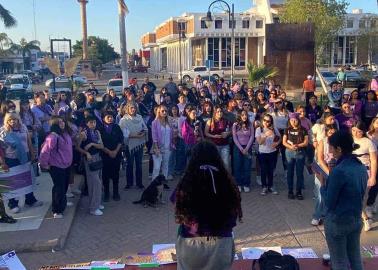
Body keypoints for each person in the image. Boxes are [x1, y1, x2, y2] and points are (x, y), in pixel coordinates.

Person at [175, 140, 243, 270]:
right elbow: (233, 213)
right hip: (221, 244)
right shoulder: (226, 182)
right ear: (217, 158)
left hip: (191, 244)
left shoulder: (187, 181)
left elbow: (179, 208)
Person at [318, 131, 367, 270]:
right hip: (355, 219)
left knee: (339, 261)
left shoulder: (339, 171)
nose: (330, 152)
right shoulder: (361, 167)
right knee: (355, 258)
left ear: (339, 149)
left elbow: (329, 202)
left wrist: (323, 185)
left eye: (331, 148)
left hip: (338, 222)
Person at [0, 112, 42, 214]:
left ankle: (30, 200)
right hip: (11, 159)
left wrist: (32, 154)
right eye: (10, 120)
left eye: (14, 119)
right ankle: (12, 204)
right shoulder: (3, 132)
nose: (13, 121)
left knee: (27, 178)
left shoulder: (23, 128)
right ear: (7, 121)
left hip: (25, 157)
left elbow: (28, 142)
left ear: (18, 119)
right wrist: (2, 162)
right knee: (12, 182)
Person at [39, 116, 72, 219]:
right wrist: (44, 164)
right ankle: (56, 209)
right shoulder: (52, 137)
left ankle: (63, 202)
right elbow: (45, 151)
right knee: (59, 187)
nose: (62, 123)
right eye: (59, 122)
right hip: (56, 166)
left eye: (63, 121)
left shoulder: (66, 134)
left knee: (65, 185)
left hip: (67, 165)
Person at [351, 121, 377, 232]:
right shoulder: (349, 140)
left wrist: (373, 177)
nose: (355, 133)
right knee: (354, 197)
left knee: (360, 198)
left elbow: (374, 160)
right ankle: (363, 217)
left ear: (363, 132)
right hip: (350, 172)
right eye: (353, 130)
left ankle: (364, 218)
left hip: (364, 172)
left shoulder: (368, 142)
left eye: (358, 131)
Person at [77, 116, 105, 216]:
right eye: (90, 122)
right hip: (89, 159)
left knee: (99, 181)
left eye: (94, 122)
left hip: (97, 157)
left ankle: (97, 202)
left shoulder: (97, 133)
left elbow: (101, 146)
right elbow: (78, 147)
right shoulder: (83, 134)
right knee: (94, 183)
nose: (93, 124)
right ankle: (93, 207)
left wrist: (92, 144)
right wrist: (86, 153)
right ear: (87, 123)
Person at [311, 124, 338, 226]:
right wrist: (329, 173)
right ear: (326, 132)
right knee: (320, 194)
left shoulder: (338, 142)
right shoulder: (323, 142)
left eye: (334, 131)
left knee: (332, 194)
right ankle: (317, 216)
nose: (332, 134)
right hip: (322, 169)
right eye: (330, 132)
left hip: (334, 169)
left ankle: (329, 215)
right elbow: (320, 159)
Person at [119, 102, 148, 189]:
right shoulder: (124, 120)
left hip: (139, 144)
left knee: (139, 165)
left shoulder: (139, 117)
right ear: (127, 109)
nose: (133, 109)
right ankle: (129, 183)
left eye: (134, 108)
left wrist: (143, 133)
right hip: (129, 145)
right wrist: (135, 136)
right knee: (130, 164)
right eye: (131, 108)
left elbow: (145, 128)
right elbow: (123, 133)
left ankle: (139, 183)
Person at [283, 112, 309, 200]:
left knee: (299, 173)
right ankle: (290, 191)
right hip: (289, 153)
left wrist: (298, 145)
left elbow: (306, 142)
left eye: (295, 120)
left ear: (298, 120)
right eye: (291, 120)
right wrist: (290, 146)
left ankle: (299, 192)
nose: (293, 121)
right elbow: (284, 142)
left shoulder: (303, 129)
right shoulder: (287, 130)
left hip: (300, 152)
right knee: (290, 172)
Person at [99, 112, 124, 202]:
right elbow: (99, 142)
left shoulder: (116, 127)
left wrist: (115, 151)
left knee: (115, 174)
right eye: (108, 117)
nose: (110, 119)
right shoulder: (100, 129)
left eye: (112, 117)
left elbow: (121, 140)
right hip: (105, 155)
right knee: (105, 175)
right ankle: (106, 193)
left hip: (116, 155)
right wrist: (108, 152)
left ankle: (116, 193)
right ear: (103, 118)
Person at [255, 113, 281, 195]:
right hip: (262, 152)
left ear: (271, 122)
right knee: (263, 170)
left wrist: (276, 144)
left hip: (272, 152)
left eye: (268, 121)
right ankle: (264, 187)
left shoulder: (274, 129)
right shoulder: (259, 129)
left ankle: (270, 186)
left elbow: (279, 137)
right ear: (262, 121)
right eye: (265, 120)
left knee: (270, 170)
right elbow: (259, 142)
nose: (266, 122)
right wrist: (266, 135)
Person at [232, 110, 254, 192]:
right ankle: (238, 184)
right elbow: (234, 137)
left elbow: (252, 136)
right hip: (238, 148)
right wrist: (241, 149)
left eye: (246, 115)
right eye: (242, 115)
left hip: (248, 147)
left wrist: (246, 148)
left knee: (247, 166)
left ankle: (246, 184)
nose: (244, 116)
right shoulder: (235, 125)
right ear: (239, 116)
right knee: (237, 166)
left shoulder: (250, 124)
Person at [205, 105, 232, 170]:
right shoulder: (210, 121)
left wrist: (227, 133)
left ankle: (225, 179)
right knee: (214, 164)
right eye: (218, 111)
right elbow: (206, 133)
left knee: (226, 164)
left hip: (225, 145)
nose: (220, 113)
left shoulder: (226, 121)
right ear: (215, 113)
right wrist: (214, 136)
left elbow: (232, 131)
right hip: (214, 145)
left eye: (221, 111)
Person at [151, 105, 173, 183]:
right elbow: (154, 137)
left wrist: (171, 144)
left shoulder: (169, 122)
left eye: (166, 111)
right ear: (159, 112)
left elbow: (171, 134)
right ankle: (154, 183)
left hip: (167, 147)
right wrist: (156, 148)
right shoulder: (154, 123)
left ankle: (163, 183)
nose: (164, 112)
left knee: (165, 166)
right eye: (162, 111)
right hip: (158, 148)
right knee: (157, 167)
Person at [366, 117, 378, 221]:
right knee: (373, 185)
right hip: (372, 162)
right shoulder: (368, 135)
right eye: (377, 123)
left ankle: (373, 203)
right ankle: (368, 206)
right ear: (373, 124)